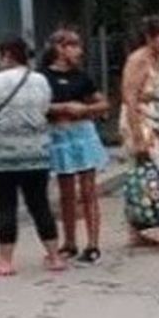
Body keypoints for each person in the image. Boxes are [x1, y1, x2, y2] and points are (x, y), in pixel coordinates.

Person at [0, 36, 64, 277]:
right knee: (40, 204)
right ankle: (54, 256)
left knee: (7, 206)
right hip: (37, 153)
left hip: (3, 156)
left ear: (7, 55)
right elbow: (44, 108)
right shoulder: (41, 80)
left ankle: (5, 260)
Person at [43, 27, 111, 264]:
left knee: (88, 191)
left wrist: (85, 110)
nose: (78, 51)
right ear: (59, 48)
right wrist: (60, 108)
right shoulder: (42, 77)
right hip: (58, 137)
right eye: (73, 45)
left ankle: (93, 244)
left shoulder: (82, 77)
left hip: (82, 134)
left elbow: (103, 104)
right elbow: (37, 105)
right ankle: (69, 241)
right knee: (66, 193)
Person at [119, 16, 159, 250]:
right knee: (157, 175)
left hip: (158, 119)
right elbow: (130, 97)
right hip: (141, 120)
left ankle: (137, 230)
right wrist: (138, 135)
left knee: (147, 177)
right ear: (150, 37)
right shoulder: (138, 60)